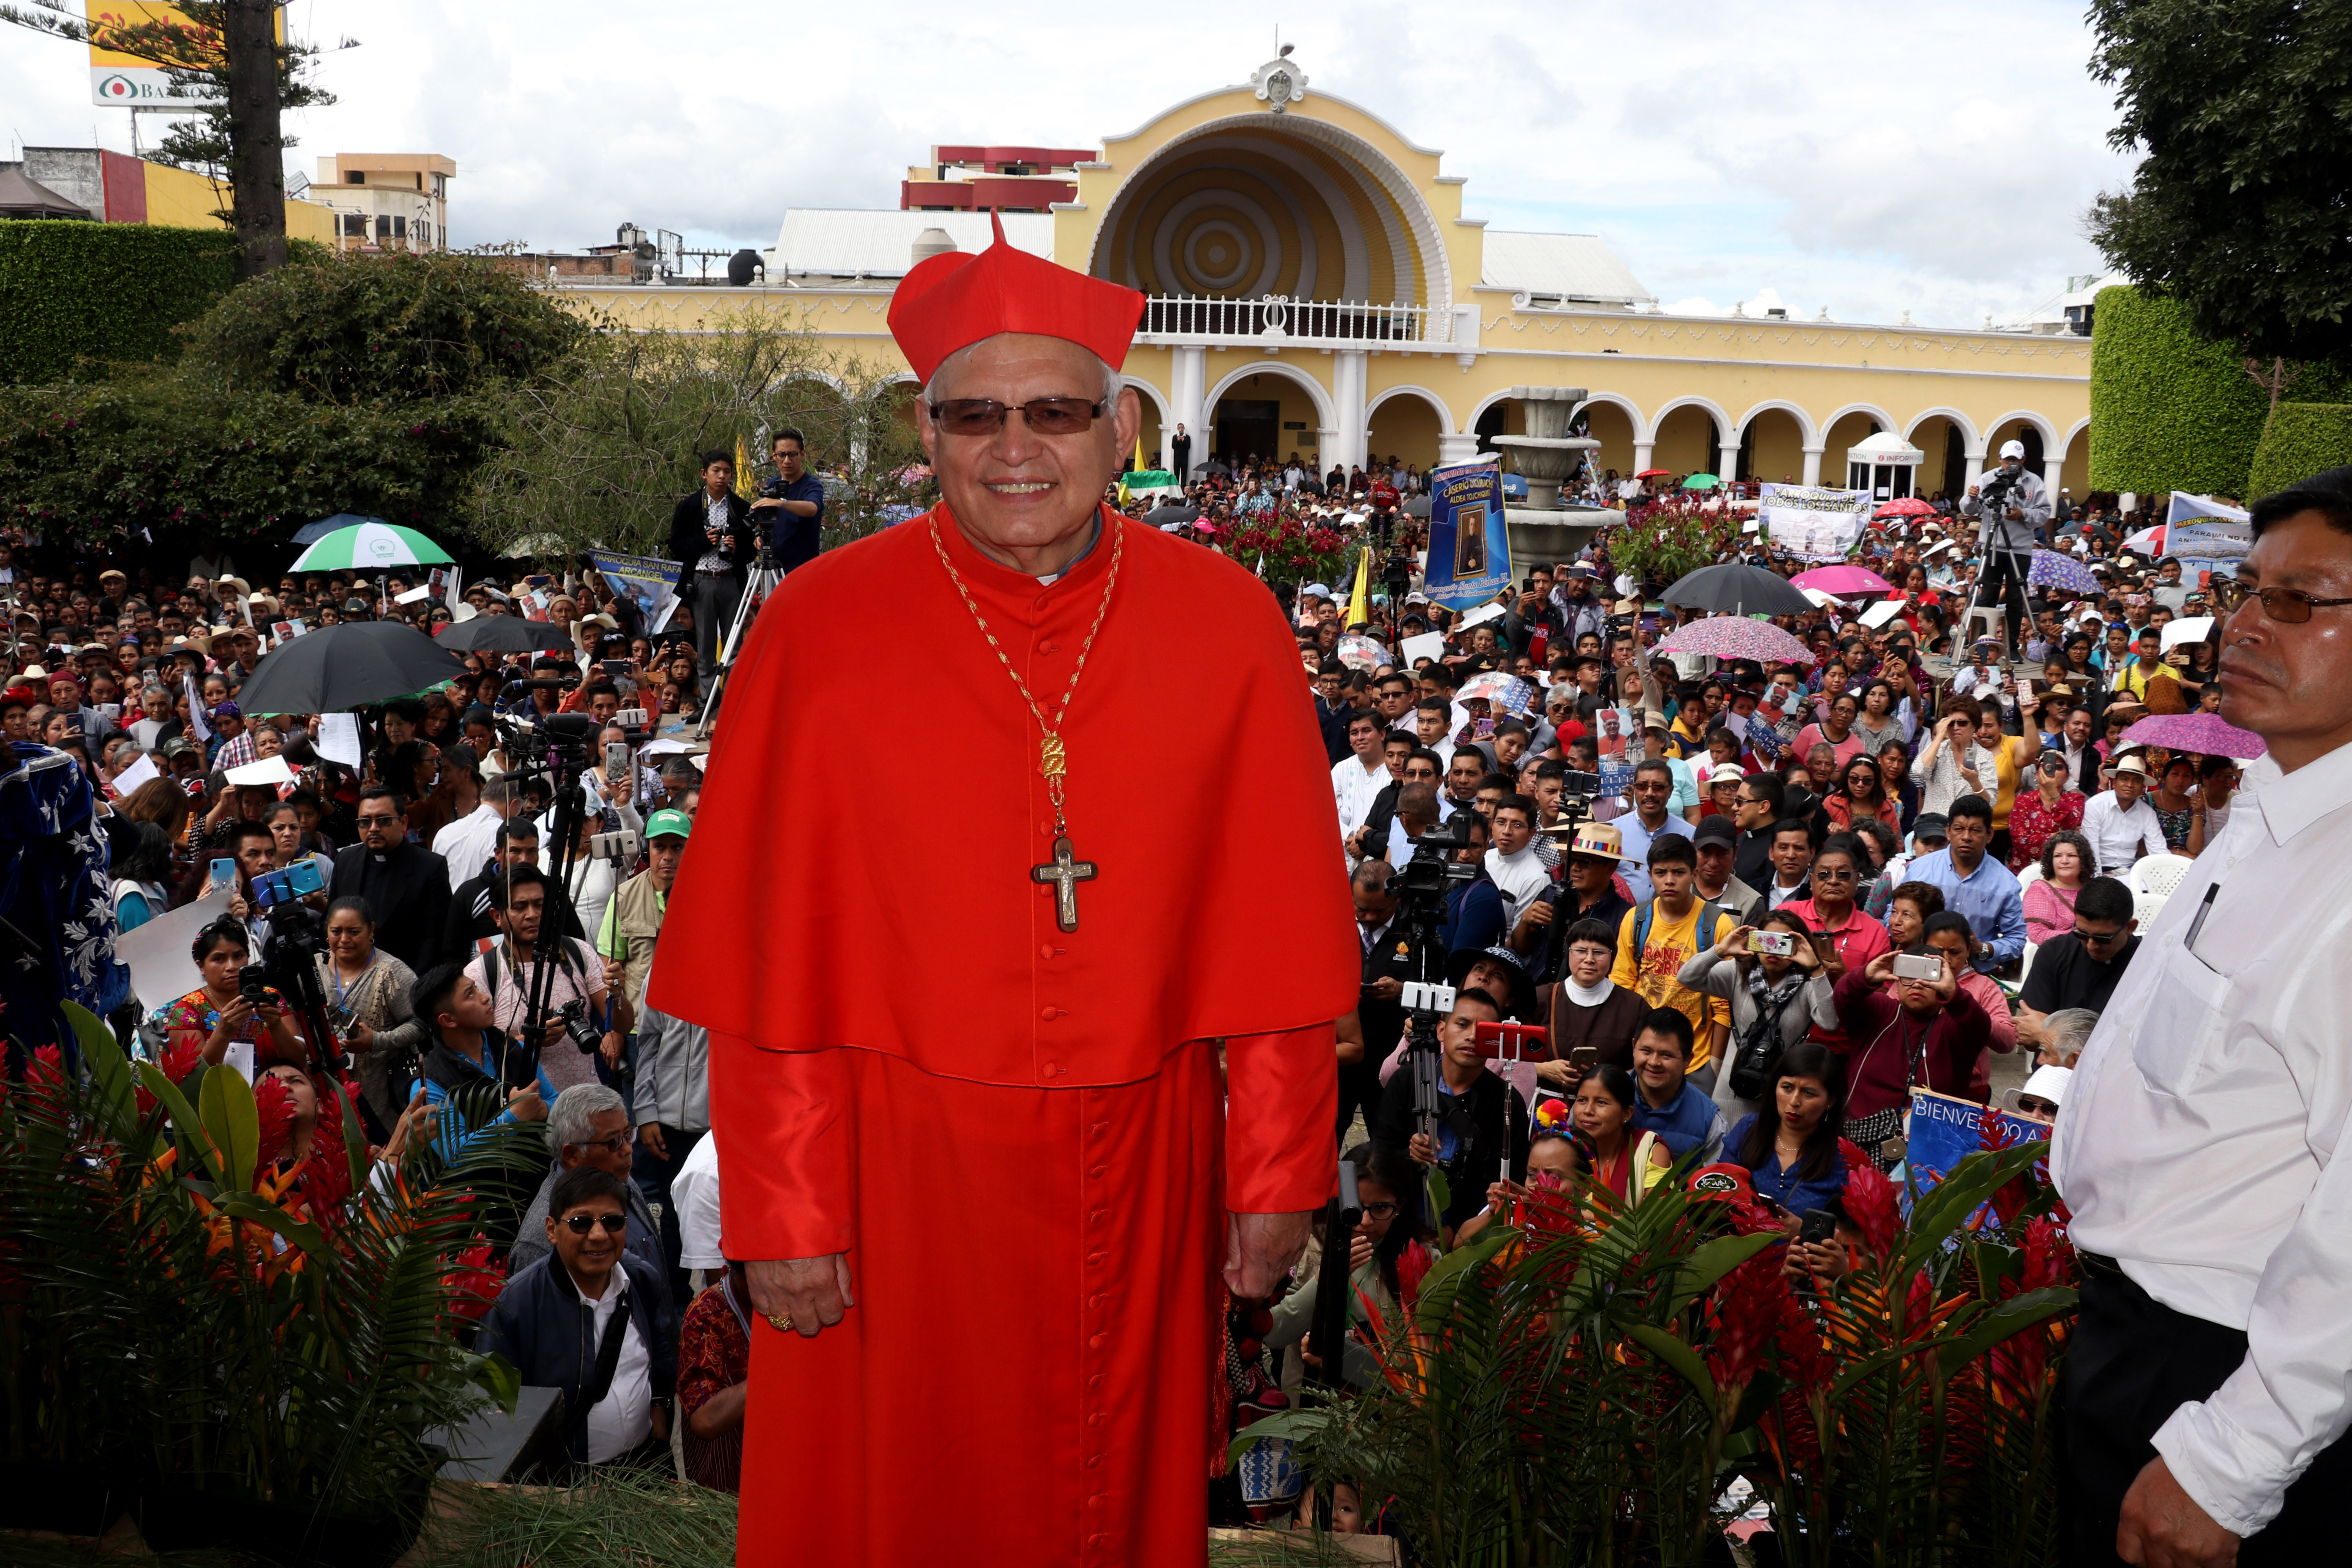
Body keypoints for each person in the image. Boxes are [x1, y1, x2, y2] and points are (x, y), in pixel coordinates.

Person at [647, 221, 1355, 1567]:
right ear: (929, 429)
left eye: (1053, 411)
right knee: (888, 1503)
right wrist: (786, 1212)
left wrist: (1274, 1180)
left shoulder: (1228, 625)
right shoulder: (818, 628)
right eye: (975, 414)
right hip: (887, 1164)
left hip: (1142, 1158)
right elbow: (768, 962)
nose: (1014, 446)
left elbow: (1273, 947)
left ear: (1120, 427)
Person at [2053, 468, 2352, 1565]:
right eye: (2248, 590)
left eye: (2299, 601)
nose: (2246, 626)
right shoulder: (2269, 808)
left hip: (2225, 1376)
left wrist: (2235, 1457)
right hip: (2139, 1342)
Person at [477, 1165, 677, 1473]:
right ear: (551, 1230)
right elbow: (494, 1408)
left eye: (612, 1222)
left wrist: (660, 1414)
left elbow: (662, 1356)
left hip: (645, 1469)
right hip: (564, 1486)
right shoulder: (513, 1306)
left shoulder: (641, 1280)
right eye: (581, 1223)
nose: (598, 1235)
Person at [1264, 1143, 1430, 1391]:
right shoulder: (1309, 1244)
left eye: (1380, 1208)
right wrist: (1327, 1278)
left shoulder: (1419, 1258)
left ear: (1400, 1207)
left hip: (1384, 1406)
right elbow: (1274, 1334)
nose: (1366, 1221)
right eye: (1356, 1208)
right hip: (1309, 1402)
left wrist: (1358, 1357)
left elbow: (1428, 1361)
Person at [1372, 986, 1529, 1235]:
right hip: (1400, 1222)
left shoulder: (1508, 1102)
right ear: (1441, 1030)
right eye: (1462, 1025)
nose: (1472, 1037)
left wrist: (1459, 1230)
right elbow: (1377, 1158)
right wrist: (1409, 1155)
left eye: (1485, 1031)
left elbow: (1511, 1182)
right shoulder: (1406, 1082)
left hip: (1467, 1237)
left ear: (1497, 1041)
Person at [1833, 916, 1993, 1156]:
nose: (1917, 984)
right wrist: (1865, 976)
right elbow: (1843, 998)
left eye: (1928, 978)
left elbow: (1980, 1027)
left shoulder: (1952, 1028)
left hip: (1930, 1149)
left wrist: (1955, 994)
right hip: (1861, 1143)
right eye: (1909, 975)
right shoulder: (1880, 1011)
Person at [463, 865, 628, 1097]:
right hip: (523, 1109)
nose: (532, 914)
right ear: (497, 917)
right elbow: (474, 1055)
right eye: (519, 907)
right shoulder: (479, 974)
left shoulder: (578, 952)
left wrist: (618, 994)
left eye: (540, 904)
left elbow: (624, 1026)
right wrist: (529, 1042)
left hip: (586, 1103)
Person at [1680, 909, 1840, 1124]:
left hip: (1781, 1094)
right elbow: (1687, 977)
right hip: (1733, 1088)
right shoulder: (1738, 972)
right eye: (1766, 940)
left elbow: (1830, 1022)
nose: (1773, 950)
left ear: (1799, 945)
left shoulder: (1809, 983)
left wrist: (1816, 969)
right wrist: (1720, 950)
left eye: (1783, 943)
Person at [1610, 834, 1737, 1090]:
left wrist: (1714, 1065)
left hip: (1696, 1059)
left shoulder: (1718, 924)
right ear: (1650, 875)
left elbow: (1723, 1006)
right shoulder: (1637, 920)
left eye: (1679, 872)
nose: (1669, 880)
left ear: (1694, 874)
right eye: (1661, 873)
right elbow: (1622, 986)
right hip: (1644, 1055)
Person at [510, 1083, 667, 1285]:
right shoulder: (541, 1241)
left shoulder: (622, 1181)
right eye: (613, 1142)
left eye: (628, 1135)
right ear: (571, 1154)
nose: (628, 1150)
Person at [323, 896, 430, 1135]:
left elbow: (423, 1023)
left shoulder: (392, 973)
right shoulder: (314, 970)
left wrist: (377, 1041)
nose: (344, 939)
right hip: (327, 1095)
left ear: (371, 930)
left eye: (354, 932)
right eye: (336, 931)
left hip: (382, 1097)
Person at [1723, 1041, 1849, 1226]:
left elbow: (1846, 1235)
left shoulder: (1843, 1160)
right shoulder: (1748, 1129)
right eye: (1787, 1088)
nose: (1794, 1101)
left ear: (1831, 1100)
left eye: (1809, 1093)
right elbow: (1718, 1190)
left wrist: (1803, 1230)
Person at [154, 918, 306, 1069]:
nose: (231, 966)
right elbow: (196, 1077)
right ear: (201, 966)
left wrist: (276, 1025)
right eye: (219, 959)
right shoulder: (186, 1012)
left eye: (238, 956)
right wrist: (223, 1033)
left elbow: (299, 1063)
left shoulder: (270, 998)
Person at [329, 785, 451, 973]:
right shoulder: (346, 860)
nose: (373, 828)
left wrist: (414, 984)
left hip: (409, 975)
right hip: (353, 975)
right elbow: (333, 917)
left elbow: (435, 937)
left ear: (403, 823)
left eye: (384, 821)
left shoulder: (430, 866)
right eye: (365, 822)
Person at [1902, 795, 2025, 971]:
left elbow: (2017, 939)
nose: (1966, 837)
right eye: (1959, 829)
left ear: (1990, 834)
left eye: (1975, 830)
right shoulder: (1920, 870)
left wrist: (1981, 948)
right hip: (1920, 967)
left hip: (1975, 971)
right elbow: (1895, 915)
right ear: (1948, 831)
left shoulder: (2006, 883)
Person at [670, 450, 758, 681]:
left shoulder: (741, 507)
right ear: (704, 473)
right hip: (702, 580)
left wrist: (736, 549)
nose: (722, 476)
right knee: (706, 643)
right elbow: (676, 546)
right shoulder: (689, 506)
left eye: (727, 472)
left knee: (734, 643)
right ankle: (708, 696)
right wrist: (703, 541)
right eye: (716, 471)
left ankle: (733, 693)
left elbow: (752, 550)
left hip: (732, 579)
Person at [1959, 438, 2050, 655]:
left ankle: (2012, 648)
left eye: (2016, 460)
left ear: (2023, 460)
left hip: (2020, 548)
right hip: (1992, 545)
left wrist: (2023, 514)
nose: (2011, 464)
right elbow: (1970, 509)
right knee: (1988, 596)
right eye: (2008, 459)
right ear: (2000, 458)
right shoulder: (1988, 478)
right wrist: (1971, 497)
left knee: (2016, 599)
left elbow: (2044, 513)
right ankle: (1982, 646)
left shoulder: (2034, 482)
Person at [2017, 875, 2140, 1028]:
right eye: (2082, 935)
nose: (2091, 946)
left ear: (2130, 928)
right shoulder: (2054, 952)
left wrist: (2049, 1034)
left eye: (2103, 938)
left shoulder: (2149, 962)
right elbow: (2031, 1025)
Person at [1623, 1006, 1728, 1162]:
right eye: (1646, 1051)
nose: (1654, 1062)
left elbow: (1717, 1175)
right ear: (1634, 1047)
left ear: (1688, 1060)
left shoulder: (1709, 1120)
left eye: (1666, 1055)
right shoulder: (1608, 1095)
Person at [1568, 1062, 1671, 1204]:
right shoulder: (1563, 1149)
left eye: (1601, 1103)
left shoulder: (1649, 1151)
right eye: (1582, 1101)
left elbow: (1655, 1215)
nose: (1588, 1111)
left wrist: (1580, 1214)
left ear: (1627, 1114)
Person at [1615, 758, 1696, 904]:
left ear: (1670, 791)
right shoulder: (1614, 831)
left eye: (1658, 787)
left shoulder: (1689, 835)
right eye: (1642, 786)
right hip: (1623, 916)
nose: (1650, 793)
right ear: (1634, 790)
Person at [2079, 753, 2169, 876]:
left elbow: (2159, 849)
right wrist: (2098, 880)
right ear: (2115, 783)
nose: (2130, 785)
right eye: (2124, 779)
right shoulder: (2096, 805)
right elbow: (2091, 846)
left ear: (2143, 788)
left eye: (2137, 781)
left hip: (2129, 871)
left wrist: (2170, 875)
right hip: (2099, 868)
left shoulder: (2147, 813)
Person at [751, 427, 827, 572]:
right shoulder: (771, 485)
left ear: (802, 455)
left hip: (803, 569)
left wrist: (782, 503)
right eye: (782, 455)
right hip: (772, 567)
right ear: (774, 456)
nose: (787, 461)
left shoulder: (811, 485)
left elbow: (812, 508)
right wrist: (759, 537)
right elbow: (765, 519)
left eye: (792, 455)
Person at [2008, 749, 2086, 872]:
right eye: (2047, 766)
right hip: (2026, 869)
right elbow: (2020, 841)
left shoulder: (2076, 799)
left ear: (2067, 777)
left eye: (2059, 767)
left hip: (2064, 868)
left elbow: (2071, 827)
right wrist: (2058, 836)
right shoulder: (2023, 800)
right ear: (2037, 774)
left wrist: (2054, 793)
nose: (2052, 770)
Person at [2022, 829, 2094, 946]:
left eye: (2072, 856)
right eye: (2058, 856)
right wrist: (2084, 936)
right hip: (2061, 951)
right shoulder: (2040, 890)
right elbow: (2038, 934)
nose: (2064, 861)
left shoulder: (2092, 887)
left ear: (2083, 861)